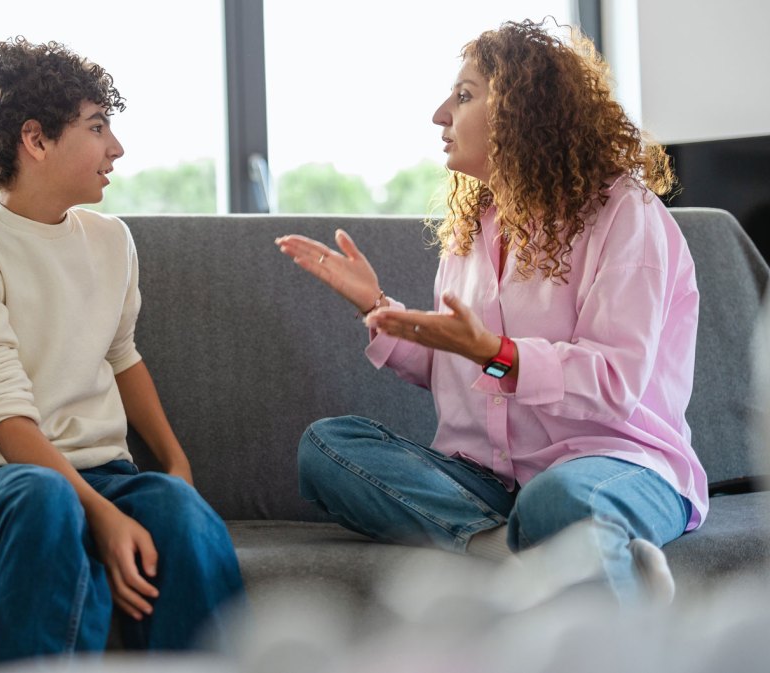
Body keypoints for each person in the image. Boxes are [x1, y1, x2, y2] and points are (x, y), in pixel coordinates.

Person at [275, 18, 704, 606]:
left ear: (525, 110)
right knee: (326, 449)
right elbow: (457, 366)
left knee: (558, 500)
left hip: (613, 468)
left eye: (465, 94)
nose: (439, 115)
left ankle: (580, 577)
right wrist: (377, 308)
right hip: (488, 481)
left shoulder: (625, 215)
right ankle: (522, 549)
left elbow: (614, 382)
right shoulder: (472, 231)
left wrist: (495, 355)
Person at [0, 37, 244, 662]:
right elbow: (9, 424)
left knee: (179, 510)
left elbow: (123, 356)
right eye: (97, 127)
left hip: (104, 472)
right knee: (47, 498)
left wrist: (177, 465)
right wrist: (103, 518)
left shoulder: (112, 240)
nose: (116, 147)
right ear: (35, 140)